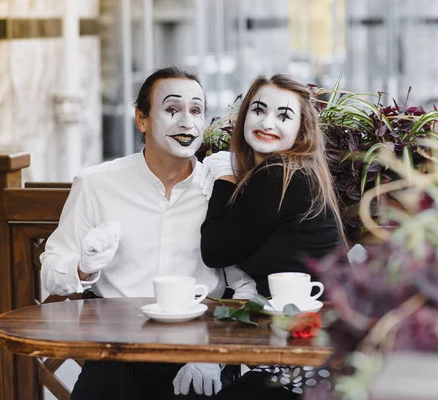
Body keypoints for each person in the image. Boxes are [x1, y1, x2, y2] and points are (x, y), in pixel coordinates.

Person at [40, 66, 256, 399]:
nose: (186, 121)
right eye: (172, 109)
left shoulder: (221, 187)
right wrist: (84, 265)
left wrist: (214, 354)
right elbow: (51, 272)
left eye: (196, 111)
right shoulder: (97, 183)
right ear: (142, 119)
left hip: (201, 351)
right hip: (115, 353)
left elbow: (246, 286)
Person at [199, 74, 345, 399]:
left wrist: (224, 178)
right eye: (259, 110)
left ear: (300, 130)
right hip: (305, 346)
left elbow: (215, 249)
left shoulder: (280, 175)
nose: (268, 122)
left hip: (315, 358)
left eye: (284, 116)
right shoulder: (295, 172)